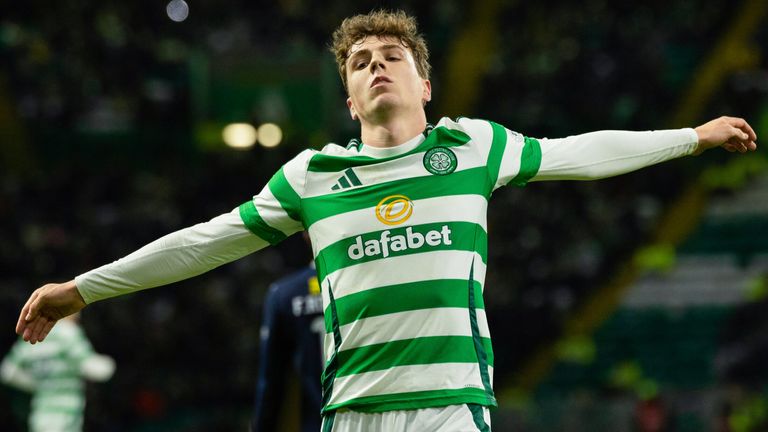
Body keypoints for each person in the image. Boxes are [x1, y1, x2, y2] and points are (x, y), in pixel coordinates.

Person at [15, 9, 758, 432]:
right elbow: (206, 241)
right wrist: (83, 289)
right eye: (360, 60)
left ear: (424, 82)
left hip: (451, 409)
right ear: (347, 99)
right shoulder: (313, 176)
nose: (376, 64)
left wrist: (690, 137)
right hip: (353, 411)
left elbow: (579, 152)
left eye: (392, 55)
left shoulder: (474, 146)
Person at [2, 314, 115, 432]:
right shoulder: (68, 332)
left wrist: (39, 385)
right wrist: (110, 365)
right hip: (66, 414)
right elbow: (94, 369)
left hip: (40, 414)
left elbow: (8, 372)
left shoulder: (32, 334)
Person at [251, 262, 323, 432]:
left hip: (318, 421)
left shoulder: (284, 293)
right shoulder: (364, 282)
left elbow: (270, 379)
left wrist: (261, 427)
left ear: (306, 235)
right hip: (373, 417)